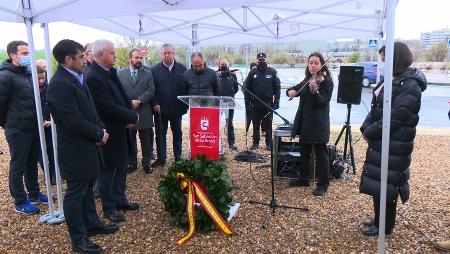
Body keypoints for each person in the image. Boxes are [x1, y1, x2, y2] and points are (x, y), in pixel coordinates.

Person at [46, 39, 119, 254]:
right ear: (68, 59)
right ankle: (79, 241)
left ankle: (92, 224)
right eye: (80, 56)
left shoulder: (77, 77)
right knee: (76, 193)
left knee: (87, 188)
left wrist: (100, 129)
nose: (84, 60)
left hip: (88, 145)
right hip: (74, 150)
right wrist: (98, 133)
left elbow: (90, 109)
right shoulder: (59, 85)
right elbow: (73, 120)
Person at [359, 42, 427, 236]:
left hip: (395, 142)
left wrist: (371, 131)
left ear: (395, 59)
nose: (382, 62)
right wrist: (366, 127)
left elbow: (397, 115)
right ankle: (379, 219)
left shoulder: (410, 83)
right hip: (382, 140)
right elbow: (376, 108)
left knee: (387, 184)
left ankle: (385, 226)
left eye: (384, 58)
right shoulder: (391, 78)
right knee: (377, 180)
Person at [85, 39, 140, 223]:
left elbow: (123, 98)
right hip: (108, 131)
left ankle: (120, 200)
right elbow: (107, 107)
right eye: (111, 52)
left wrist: (129, 115)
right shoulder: (94, 76)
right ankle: (109, 207)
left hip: (121, 127)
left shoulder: (109, 72)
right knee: (108, 170)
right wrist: (133, 117)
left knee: (122, 166)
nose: (115, 55)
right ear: (100, 55)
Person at [0, 40, 48, 215]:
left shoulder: (28, 74)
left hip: (33, 126)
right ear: (13, 55)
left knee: (31, 163)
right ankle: (20, 201)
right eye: (25, 53)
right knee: (18, 165)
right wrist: (8, 124)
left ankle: (34, 193)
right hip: (18, 128)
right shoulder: (5, 76)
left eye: (30, 53)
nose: (29, 56)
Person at [286, 52, 334, 196]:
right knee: (304, 151)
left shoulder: (327, 82)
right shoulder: (307, 79)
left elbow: (323, 102)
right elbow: (294, 88)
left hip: (319, 123)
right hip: (305, 122)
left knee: (321, 154)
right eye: (310, 63)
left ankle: (323, 184)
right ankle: (304, 178)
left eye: (316, 63)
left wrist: (315, 91)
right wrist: (291, 92)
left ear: (321, 65)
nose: (313, 65)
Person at [117, 49, 155, 174]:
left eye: (140, 58)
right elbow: (118, 91)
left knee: (146, 141)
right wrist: (129, 103)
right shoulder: (120, 73)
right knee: (130, 139)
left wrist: (139, 101)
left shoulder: (148, 73)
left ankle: (146, 163)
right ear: (130, 59)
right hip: (127, 112)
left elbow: (151, 90)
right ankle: (132, 162)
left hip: (144, 111)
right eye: (136, 57)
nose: (139, 60)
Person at [150, 43, 188, 167]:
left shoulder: (183, 69)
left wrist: (186, 105)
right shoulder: (154, 70)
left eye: (169, 52)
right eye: (164, 53)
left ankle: (178, 158)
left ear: (173, 53)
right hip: (160, 109)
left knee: (177, 133)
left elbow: (187, 88)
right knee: (160, 135)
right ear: (161, 55)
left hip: (177, 109)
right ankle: (161, 158)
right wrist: (155, 103)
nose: (167, 55)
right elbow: (151, 89)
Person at [244, 53, 280, 151]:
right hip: (256, 104)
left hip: (268, 104)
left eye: (263, 60)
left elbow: (277, 87)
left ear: (266, 60)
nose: (261, 61)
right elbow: (246, 90)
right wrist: (247, 104)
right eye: (259, 60)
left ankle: (269, 143)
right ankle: (255, 143)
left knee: (268, 124)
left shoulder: (272, 72)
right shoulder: (252, 73)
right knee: (255, 124)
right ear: (257, 61)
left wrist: (277, 101)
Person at [36, 64, 56, 185]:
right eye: (39, 79)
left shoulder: (49, 88)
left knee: (53, 151)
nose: (42, 81)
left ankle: (54, 175)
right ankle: (47, 174)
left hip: (50, 124)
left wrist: (51, 120)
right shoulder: (31, 90)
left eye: (43, 78)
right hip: (38, 127)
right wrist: (41, 120)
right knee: (41, 152)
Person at [217, 58, 239, 150]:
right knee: (216, 123)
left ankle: (231, 143)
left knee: (229, 123)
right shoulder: (215, 75)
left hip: (229, 102)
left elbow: (236, 88)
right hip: (218, 103)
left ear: (228, 64)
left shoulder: (232, 75)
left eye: (225, 64)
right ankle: (216, 142)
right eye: (222, 64)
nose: (223, 65)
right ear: (219, 65)